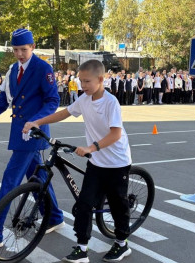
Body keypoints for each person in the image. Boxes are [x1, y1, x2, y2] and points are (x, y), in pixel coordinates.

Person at [23, 59, 132, 263]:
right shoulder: (84, 100)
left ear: (101, 79)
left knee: (118, 204)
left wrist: (92, 147)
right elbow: (64, 113)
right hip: (97, 163)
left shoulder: (110, 102)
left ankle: (122, 243)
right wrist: (37, 122)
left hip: (117, 163)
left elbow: (116, 134)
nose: (83, 86)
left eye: (87, 81)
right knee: (84, 204)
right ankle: (82, 249)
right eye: (81, 81)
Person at [0, 28, 64, 249]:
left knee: (10, 182)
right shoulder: (13, 70)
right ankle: (54, 217)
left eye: (24, 49)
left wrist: (35, 122)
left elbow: (52, 101)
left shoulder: (43, 69)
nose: (20, 54)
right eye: (15, 50)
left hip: (33, 133)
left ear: (33, 47)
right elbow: (3, 99)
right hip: (19, 133)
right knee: (38, 177)